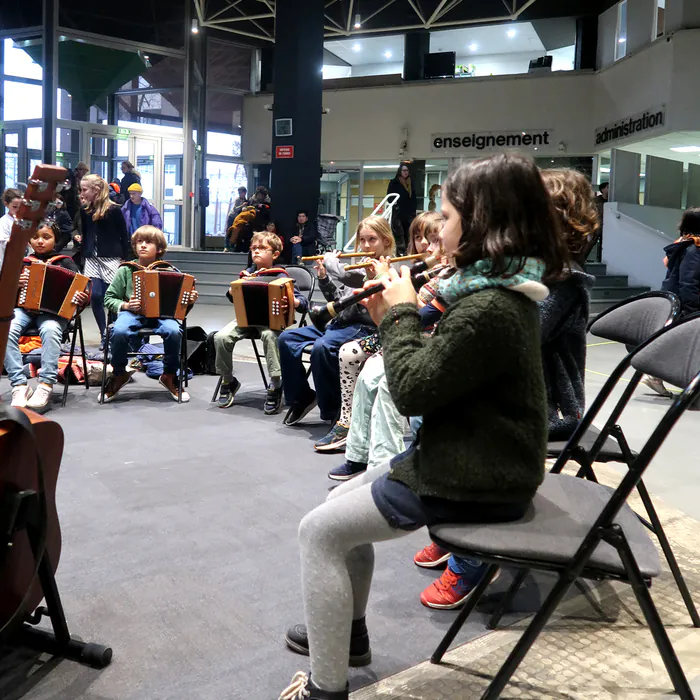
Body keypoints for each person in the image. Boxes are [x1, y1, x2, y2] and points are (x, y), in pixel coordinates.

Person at [278, 153, 569, 700]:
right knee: (332, 513)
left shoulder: (489, 307)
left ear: (482, 225)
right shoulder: (494, 292)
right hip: (469, 456)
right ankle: (350, 638)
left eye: (449, 218)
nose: (441, 232)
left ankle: (325, 688)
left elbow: (410, 389)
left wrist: (398, 312)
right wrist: (401, 308)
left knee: (317, 534)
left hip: (475, 476)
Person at [415, 166, 598, 610]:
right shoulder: (525, 275)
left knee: (445, 418)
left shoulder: (562, 285)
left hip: (550, 411)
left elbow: (509, 342)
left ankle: (473, 553)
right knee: (429, 409)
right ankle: (452, 519)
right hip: (510, 398)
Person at [314, 211, 444, 454]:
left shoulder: (429, 271)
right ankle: (348, 424)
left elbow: (416, 312)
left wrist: (385, 279)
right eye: (418, 237)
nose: (425, 245)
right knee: (349, 353)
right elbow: (387, 313)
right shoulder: (418, 270)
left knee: (373, 370)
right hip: (393, 330)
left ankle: (407, 448)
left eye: (433, 239)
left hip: (424, 337)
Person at [278, 216, 395, 427]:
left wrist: (332, 262)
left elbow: (345, 276)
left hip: (363, 328)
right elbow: (337, 300)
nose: (366, 245)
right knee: (287, 339)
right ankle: (302, 397)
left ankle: (335, 411)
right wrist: (323, 278)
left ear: (386, 241)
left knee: (322, 348)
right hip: (339, 324)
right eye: (362, 240)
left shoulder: (385, 269)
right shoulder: (360, 264)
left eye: (372, 239)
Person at [213, 231, 308, 415]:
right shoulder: (245, 274)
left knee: (269, 336)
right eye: (254, 248)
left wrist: (294, 302)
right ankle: (228, 380)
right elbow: (235, 299)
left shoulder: (281, 276)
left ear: (275, 254)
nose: (256, 251)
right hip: (246, 320)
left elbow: (302, 303)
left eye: (262, 248)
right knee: (221, 337)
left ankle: (275, 383)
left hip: (271, 323)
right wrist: (232, 292)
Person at [100, 226, 198, 403]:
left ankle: (169, 375)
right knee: (119, 331)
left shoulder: (169, 271)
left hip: (163, 315)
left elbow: (181, 309)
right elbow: (109, 298)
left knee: (174, 331)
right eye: (139, 242)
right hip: (132, 313)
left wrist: (189, 300)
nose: (143, 245)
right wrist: (126, 305)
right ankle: (119, 373)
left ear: (159, 249)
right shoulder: (125, 270)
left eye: (149, 242)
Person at [4, 221, 90, 411]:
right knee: (5, 328)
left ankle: (46, 383)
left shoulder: (65, 262)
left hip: (53, 313)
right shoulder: (22, 262)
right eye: (35, 237)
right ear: (29, 241)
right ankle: (19, 384)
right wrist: (14, 284)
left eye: (46, 237)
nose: (40, 241)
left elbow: (82, 289)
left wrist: (82, 297)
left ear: (56, 240)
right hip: (23, 309)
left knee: (50, 329)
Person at [642, 206, 700, 398]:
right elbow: (688, 282)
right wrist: (693, 310)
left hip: (679, 300)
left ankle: (655, 375)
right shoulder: (693, 249)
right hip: (687, 303)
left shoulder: (683, 244)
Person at [73, 174, 131, 343]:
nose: (82, 193)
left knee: (111, 298)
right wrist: (83, 252)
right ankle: (104, 333)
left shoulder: (114, 210)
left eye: (85, 190)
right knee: (96, 295)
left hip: (111, 258)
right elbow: (86, 233)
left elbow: (123, 235)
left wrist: (124, 259)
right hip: (91, 258)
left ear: (96, 190)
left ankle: (112, 332)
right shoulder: (85, 211)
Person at [387, 163, 417, 255]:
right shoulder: (394, 182)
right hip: (398, 213)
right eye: (404, 170)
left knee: (409, 233)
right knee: (399, 234)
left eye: (407, 170)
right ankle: (400, 253)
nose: (405, 172)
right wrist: (397, 204)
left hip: (409, 213)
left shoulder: (411, 182)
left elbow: (413, 198)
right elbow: (389, 197)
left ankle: (408, 252)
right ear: (400, 171)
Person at [0, 188, 23, 273]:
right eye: (14, 207)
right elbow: (4, 244)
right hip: (8, 261)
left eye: (20, 207)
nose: (18, 209)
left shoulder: (23, 220)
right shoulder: (3, 222)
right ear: (6, 204)